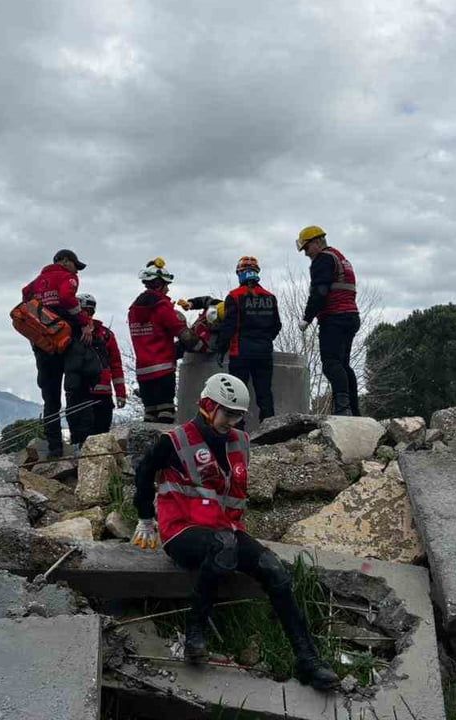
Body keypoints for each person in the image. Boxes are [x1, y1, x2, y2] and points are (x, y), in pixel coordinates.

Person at [130, 373, 340, 690]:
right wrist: (146, 518)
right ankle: (195, 634)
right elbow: (144, 474)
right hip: (181, 532)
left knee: (275, 571)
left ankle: (308, 660)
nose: (233, 421)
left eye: (239, 415)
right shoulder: (174, 441)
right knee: (222, 545)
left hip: (225, 530)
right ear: (208, 405)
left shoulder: (239, 442)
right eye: (228, 413)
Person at [21, 249, 92, 456]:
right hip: (66, 338)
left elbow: (25, 295)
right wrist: (85, 322)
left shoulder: (36, 281)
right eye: (74, 265)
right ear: (64, 261)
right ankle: (80, 444)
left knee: (50, 397)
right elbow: (67, 298)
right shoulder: (67, 278)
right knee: (74, 390)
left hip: (44, 343)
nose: (76, 270)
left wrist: (41, 315)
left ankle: (54, 447)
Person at [296, 226, 361, 416]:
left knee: (331, 364)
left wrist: (307, 318)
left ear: (316, 242)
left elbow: (320, 291)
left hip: (335, 318)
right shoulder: (340, 257)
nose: (306, 254)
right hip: (351, 316)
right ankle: (354, 411)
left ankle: (343, 410)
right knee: (344, 365)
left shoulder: (322, 260)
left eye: (307, 248)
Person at [215, 256, 281, 423]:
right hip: (264, 352)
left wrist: (221, 349)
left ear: (239, 274)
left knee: (237, 393)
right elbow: (277, 325)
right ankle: (270, 430)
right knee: (265, 393)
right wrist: (265, 339)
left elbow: (229, 326)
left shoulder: (234, 296)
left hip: (241, 352)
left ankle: (237, 430)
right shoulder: (269, 297)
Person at [128, 257, 194, 423]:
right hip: (163, 372)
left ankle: (146, 449)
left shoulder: (133, 310)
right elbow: (182, 333)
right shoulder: (162, 307)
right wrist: (198, 343)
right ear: (159, 284)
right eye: (166, 285)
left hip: (143, 373)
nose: (168, 290)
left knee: (150, 416)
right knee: (166, 416)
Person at [79, 293, 128, 436]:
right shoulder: (105, 334)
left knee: (99, 435)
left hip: (98, 395)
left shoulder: (105, 335)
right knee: (85, 436)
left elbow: (116, 365)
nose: (85, 314)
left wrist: (121, 393)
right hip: (83, 393)